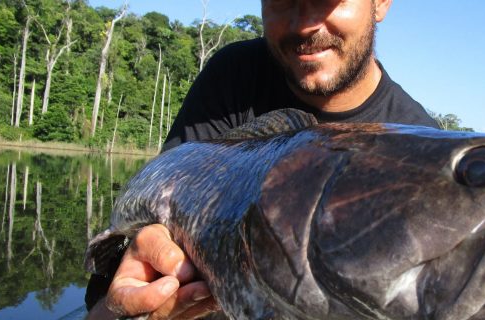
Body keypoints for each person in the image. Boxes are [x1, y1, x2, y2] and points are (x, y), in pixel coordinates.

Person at [86, 0, 439, 318]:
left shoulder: (427, 159)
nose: (303, 24)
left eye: (326, 2)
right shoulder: (234, 75)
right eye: (282, 2)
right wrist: (122, 301)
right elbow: (156, 206)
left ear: (380, 3)